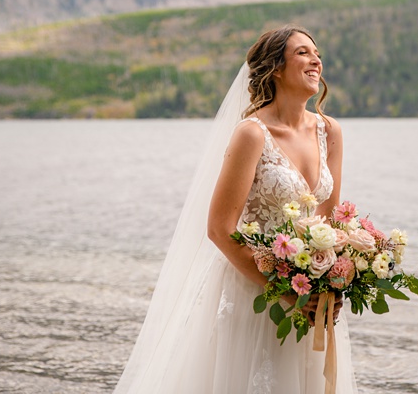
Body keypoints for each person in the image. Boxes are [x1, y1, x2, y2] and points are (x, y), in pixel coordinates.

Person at [114, 25, 358, 393]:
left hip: (309, 298)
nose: (316, 60)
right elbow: (219, 228)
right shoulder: (252, 134)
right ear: (276, 68)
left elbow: (327, 223)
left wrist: (331, 284)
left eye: (317, 52)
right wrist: (286, 292)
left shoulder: (330, 131)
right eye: (303, 53)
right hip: (255, 294)